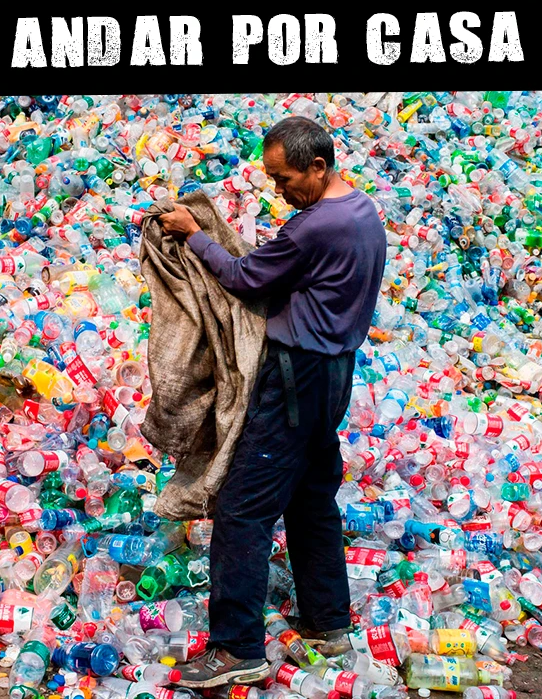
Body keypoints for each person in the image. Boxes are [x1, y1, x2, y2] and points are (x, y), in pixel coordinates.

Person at [154, 116, 387, 688]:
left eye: (285, 179)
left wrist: (194, 233)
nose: (278, 191)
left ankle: (237, 649)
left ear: (318, 166)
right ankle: (327, 624)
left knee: (243, 509)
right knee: (311, 499)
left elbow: (243, 276)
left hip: (294, 378)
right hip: (334, 373)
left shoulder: (315, 227)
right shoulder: (363, 212)